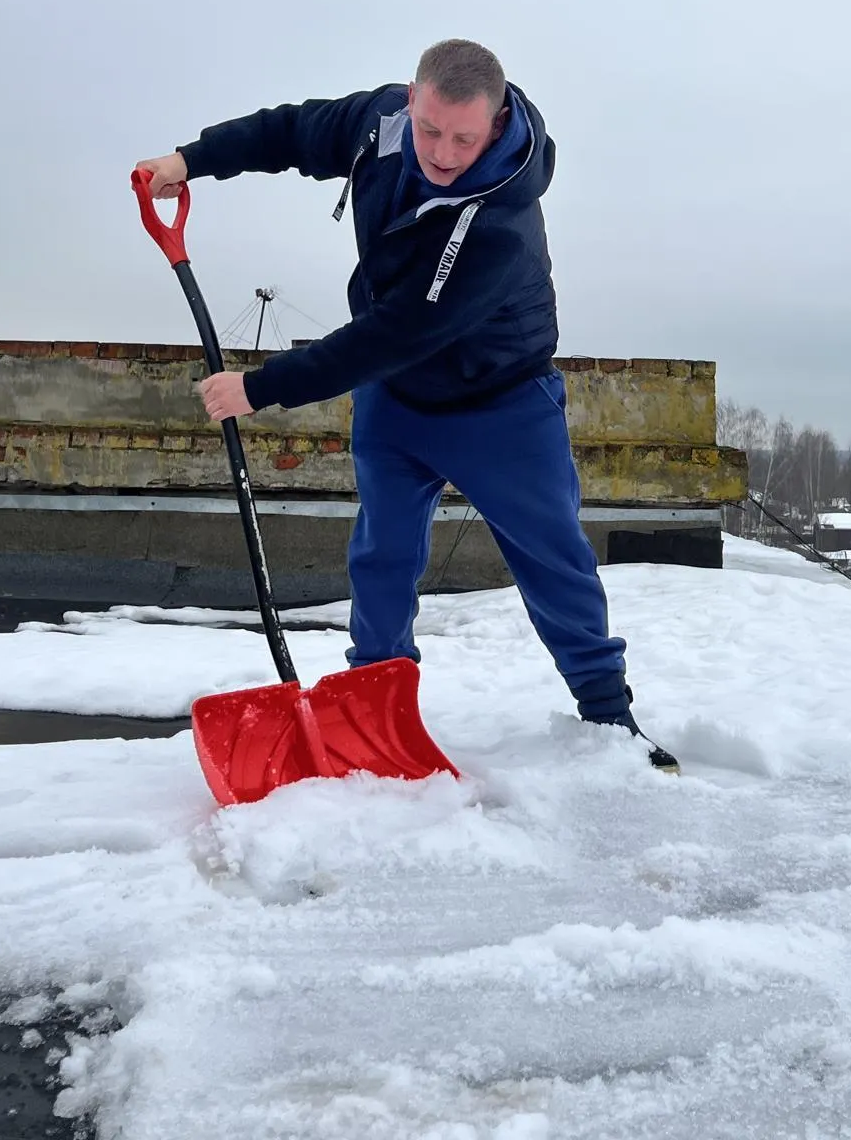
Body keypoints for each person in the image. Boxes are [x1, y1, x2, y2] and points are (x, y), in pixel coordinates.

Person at [135, 39, 675, 770]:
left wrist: (260, 387)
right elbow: (295, 130)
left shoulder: (500, 226)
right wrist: (190, 160)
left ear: (497, 119)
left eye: (464, 138)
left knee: (553, 561)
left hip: (502, 405)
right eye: (430, 129)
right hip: (397, 402)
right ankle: (371, 702)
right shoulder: (382, 121)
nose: (444, 153)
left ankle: (609, 719)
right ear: (413, 100)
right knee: (382, 557)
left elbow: (393, 335)